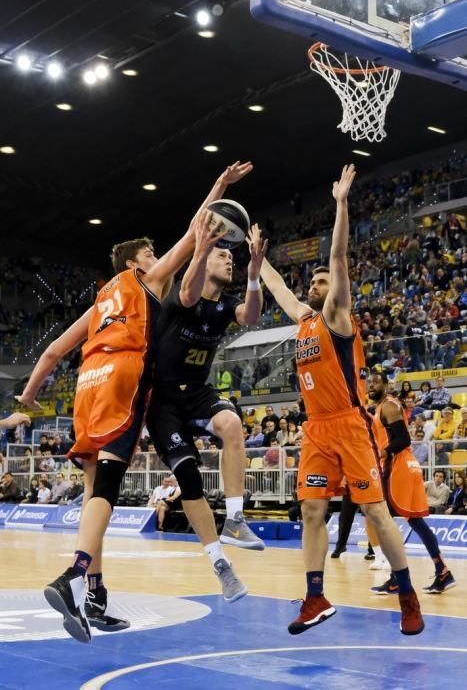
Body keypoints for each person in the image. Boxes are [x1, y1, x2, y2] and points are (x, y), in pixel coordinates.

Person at [16, 161, 252, 641]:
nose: (155, 255)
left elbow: (54, 351)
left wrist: (30, 396)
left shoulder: (101, 298)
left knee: (91, 494)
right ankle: (74, 574)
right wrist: (220, 187)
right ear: (135, 263)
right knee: (107, 485)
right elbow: (195, 230)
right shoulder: (145, 281)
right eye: (149, 252)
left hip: (87, 383)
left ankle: (93, 597)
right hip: (122, 377)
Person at [260, 164, 424, 636]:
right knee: (312, 510)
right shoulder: (304, 321)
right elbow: (277, 289)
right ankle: (315, 596)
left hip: (350, 425)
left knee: (375, 510)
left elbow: (338, 257)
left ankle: (408, 594)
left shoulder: (338, 315)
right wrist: (257, 261)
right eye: (309, 284)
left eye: (318, 282)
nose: (313, 286)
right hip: (316, 429)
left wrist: (341, 205)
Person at [146, 220, 268, 604]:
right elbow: (186, 288)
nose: (228, 260)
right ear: (204, 259)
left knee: (233, 425)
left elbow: (250, 317)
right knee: (188, 477)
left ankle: (235, 517)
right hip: (163, 401)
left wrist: (252, 275)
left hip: (197, 392)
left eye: (231, 257)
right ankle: (220, 565)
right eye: (222, 255)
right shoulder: (184, 295)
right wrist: (202, 246)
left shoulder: (226, 305)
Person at [368, 371, 455, 594]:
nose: (371, 385)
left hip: (399, 465)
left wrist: (383, 452)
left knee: (384, 520)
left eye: (376, 382)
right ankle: (442, 571)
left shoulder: (389, 405)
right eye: (369, 382)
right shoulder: (380, 408)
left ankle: (397, 577)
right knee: (414, 522)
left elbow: (403, 439)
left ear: (386, 385)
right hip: (404, 465)